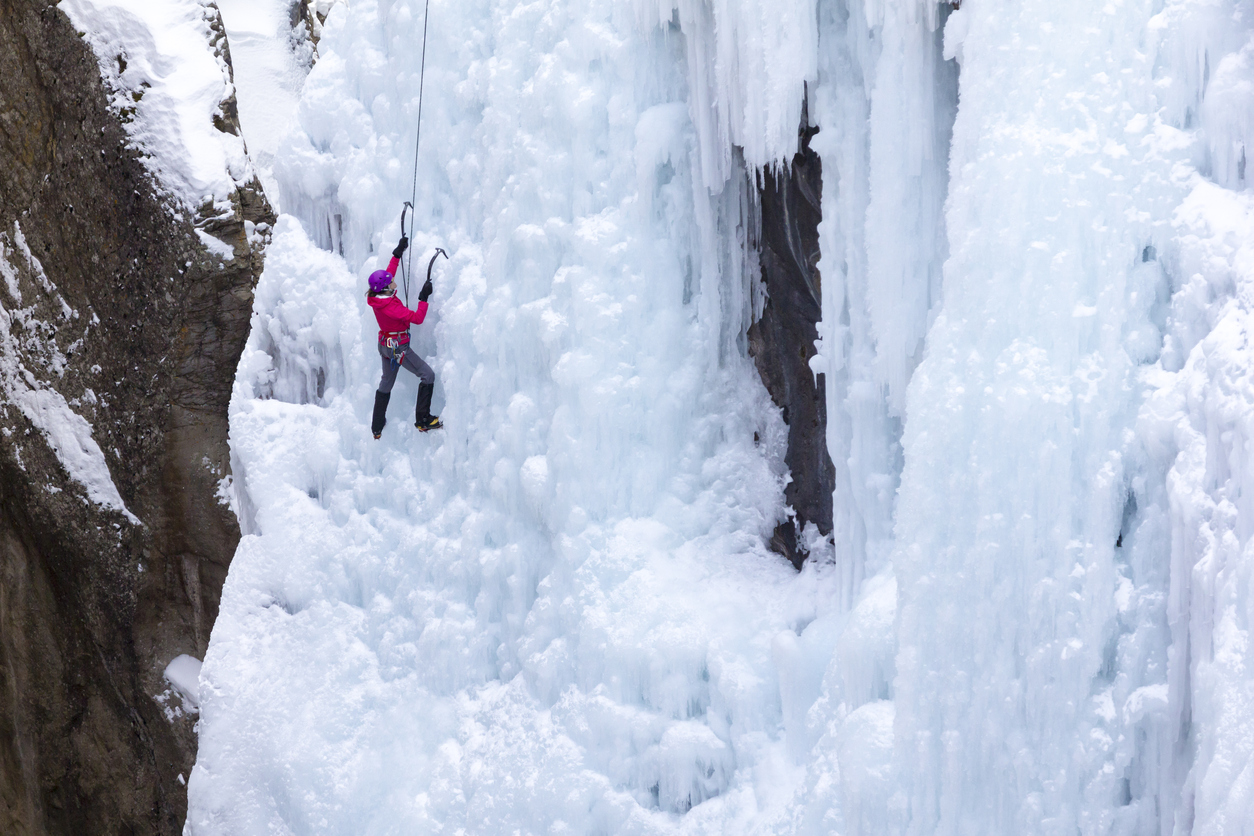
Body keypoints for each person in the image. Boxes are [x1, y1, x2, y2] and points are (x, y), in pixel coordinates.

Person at [367, 235, 441, 436]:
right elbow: (417, 318)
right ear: (385, 288)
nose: (394, 283)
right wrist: (423, 298)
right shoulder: (391, 307)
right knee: (428, 375)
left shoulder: (377, 297)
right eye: (390, 283)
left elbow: (388, 274)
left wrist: (396, 253)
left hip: (385, 345)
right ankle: (423, 420)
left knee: (386, 383)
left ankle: (376, 427)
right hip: (398, 347)